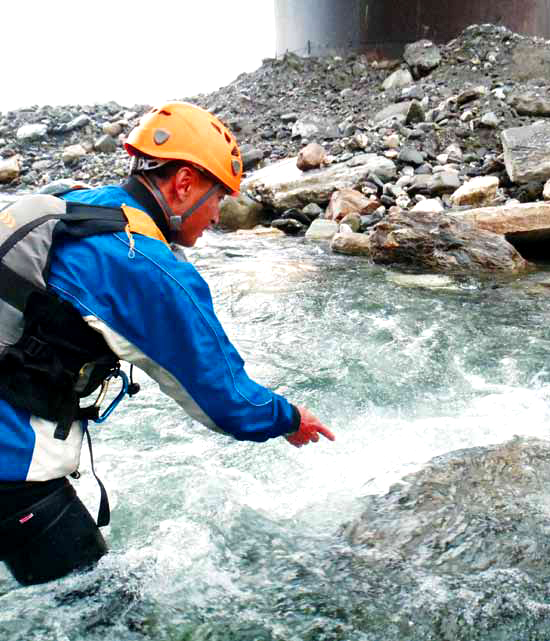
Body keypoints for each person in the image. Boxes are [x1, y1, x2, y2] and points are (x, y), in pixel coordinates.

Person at [0, 102, 335, 586]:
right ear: (183, 185)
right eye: (218, 197)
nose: (218, 215)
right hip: (13, 470)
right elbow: (225, 399)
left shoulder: (75, 202)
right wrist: (289, 418)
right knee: (105, 614)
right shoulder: (146, 265)